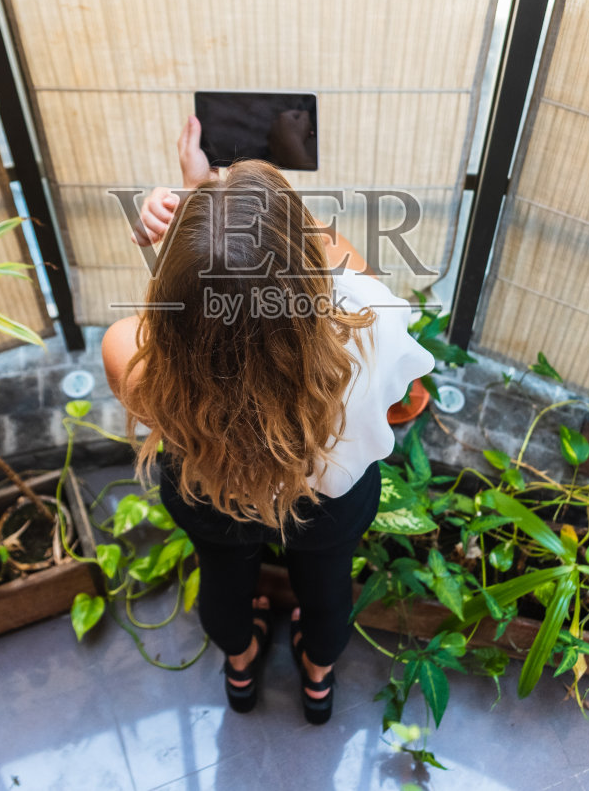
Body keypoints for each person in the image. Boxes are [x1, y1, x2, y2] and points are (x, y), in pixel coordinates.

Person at [102, 116, 434, 724]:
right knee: (327, 584)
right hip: (328, 496)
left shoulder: (129, 350)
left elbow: (191, 321)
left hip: (211, 488)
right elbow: (324, 256)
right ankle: (316, 678)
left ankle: (241, 662)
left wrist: (200, 225)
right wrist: (238, 215)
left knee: (225, 577)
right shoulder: (372, 322)